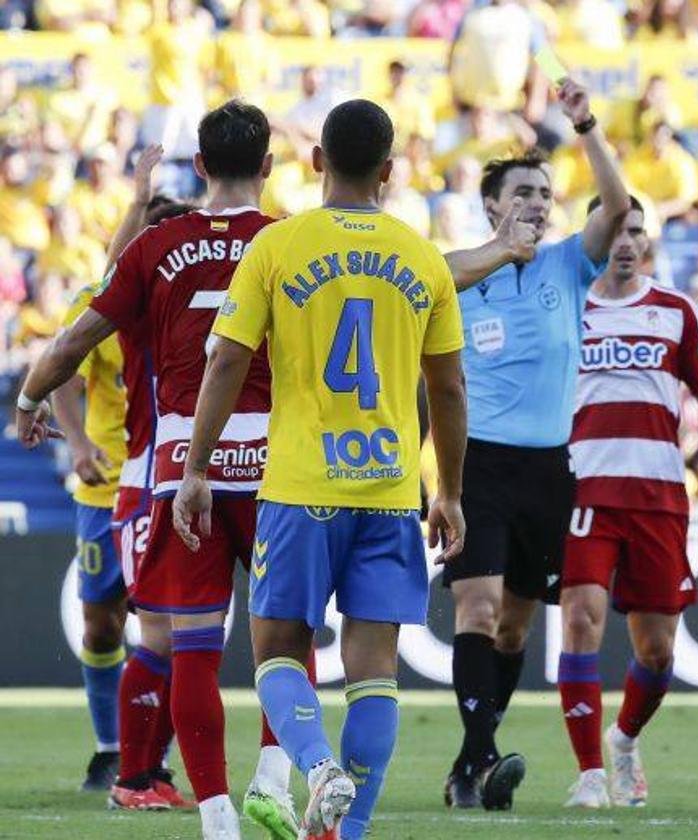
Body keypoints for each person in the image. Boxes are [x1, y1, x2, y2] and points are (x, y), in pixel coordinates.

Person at [170, 98, 467, 840]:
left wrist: (198, 467)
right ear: (390, 172)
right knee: (374, 673)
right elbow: (450, 388)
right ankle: (346, 830)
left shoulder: (278, 246)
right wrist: (450, 492)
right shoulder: (422, 257)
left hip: (301, 488)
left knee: (277, 653)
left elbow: (228, 359)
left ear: (314, 162)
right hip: (392, 492)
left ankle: (315, 764)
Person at [16, 101, 294, 840]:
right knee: (284, 639)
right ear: (269, 167)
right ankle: (273, 781)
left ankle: (214, 815)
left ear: (199, 166)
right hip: (280, 470)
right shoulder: (290, 244)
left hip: (177, 471)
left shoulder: (155, 250)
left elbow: (75, 337)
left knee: (187, 644)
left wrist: (29, 396)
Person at [440, 75, 629, 809]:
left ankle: (468, 762)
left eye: (546, 195)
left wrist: (586, 127)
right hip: (478, 464)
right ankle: (485, 759)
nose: (538, 205)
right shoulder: (463, 273)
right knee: (478, 612)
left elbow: (617, 207)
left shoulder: (567, 267)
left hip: (549, 470)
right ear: (492, 204)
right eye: (524, 193)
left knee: (515, 631)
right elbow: (431, 311)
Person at [557, 196, 698, 808]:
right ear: (595, 235)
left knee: (656, 649)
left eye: (637, 231)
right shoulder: (567, 307)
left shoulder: (675, 310)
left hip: (657, 494)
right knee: (580, 616)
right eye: (617, 230)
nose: (627, 242)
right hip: (583, 488)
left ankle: (625, 739)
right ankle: (588, 774)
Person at [48, 147, 164, 795]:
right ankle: (107, 747)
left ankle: (150, 755)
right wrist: (74, 438)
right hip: (101, 489)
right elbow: (60, 369)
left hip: (162, 486)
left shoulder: (183, 305)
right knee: (101, 622)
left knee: (163, 625)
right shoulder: (97, 303)